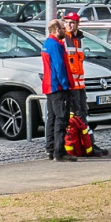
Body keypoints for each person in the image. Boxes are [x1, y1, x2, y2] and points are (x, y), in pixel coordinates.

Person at [61, 12, 108, 157]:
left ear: (77, 24)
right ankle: (81, 146)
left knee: (83, 116)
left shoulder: (78, 41)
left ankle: (87, 144)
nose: (69, 25)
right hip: (70, 86)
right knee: (75, 117)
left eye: (72, 22)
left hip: (79, 86)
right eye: (67, 22)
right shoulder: (64, 41)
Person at [41, 18, 76, 162]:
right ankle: (59, 152)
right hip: (58, 87)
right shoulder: (55, 45)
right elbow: (59, 66)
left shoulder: (47, 44)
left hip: (50, 86)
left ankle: (50, 149)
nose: (65, 30)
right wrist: (65, 85)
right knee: (61, 118)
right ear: (56, 30)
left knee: (52, 118)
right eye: (62, 28)